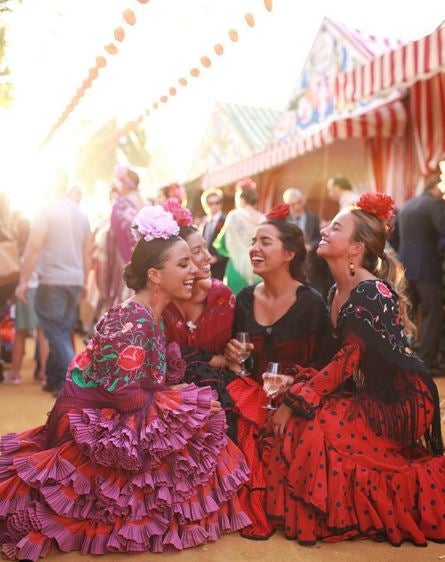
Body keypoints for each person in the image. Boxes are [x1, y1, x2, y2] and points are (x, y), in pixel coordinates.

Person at [0, 205, 251, 561]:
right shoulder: (135, 319)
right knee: (197, 427)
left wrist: (175, 396)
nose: (194, 271)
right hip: (88, 426)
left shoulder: (149, 314)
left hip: (109, 410)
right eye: (183, 264)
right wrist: (178, 401)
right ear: (154, 275)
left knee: (199, 424)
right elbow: (128, 400)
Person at [261, 193, 445, 546]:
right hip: (371, 392)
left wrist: (295, 400)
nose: (325, 230)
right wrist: (293, 382)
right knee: (307, 420)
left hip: (402, 402)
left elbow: (345, 363)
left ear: (355, 248)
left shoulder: (370, 291)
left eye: (336, 227)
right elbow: (331, 359)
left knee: (314, 426)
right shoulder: (335, 291)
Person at [223, 204, 329, 539]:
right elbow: (239, 362)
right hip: (251, 394)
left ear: (289, 253)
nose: (254, 248)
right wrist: (232, 354)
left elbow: (325, 364)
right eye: (253, 241)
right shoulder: (242, 298)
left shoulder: (311, 303)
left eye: (265, 241)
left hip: (296, 400)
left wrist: (294, 389)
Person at [162, 199, 238, 439]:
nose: (208, 256)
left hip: (218, 395)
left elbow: (239, 358)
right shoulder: (158, 304)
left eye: (204, 247)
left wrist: (237, 351)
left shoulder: (222, 297)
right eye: (196, 252)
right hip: (169, 398)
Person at [15, 169, 92, 397]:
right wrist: (84, 280)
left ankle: (76, 382)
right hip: (74, 280)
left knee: (56, 332)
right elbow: (87, 252)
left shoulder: (45, 211)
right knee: (62, 330)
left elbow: (34, 246)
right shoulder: (80, 214)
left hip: (51, 280)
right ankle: (56, 380)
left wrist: (23, 280)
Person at [395, 174, 445, 375]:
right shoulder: (433, 204)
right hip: (426, 266)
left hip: (405, 265)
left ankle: (409, 358)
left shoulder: (408, 204)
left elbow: (394, 235)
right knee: (433, 314)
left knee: (409, 314)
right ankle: (429, 363)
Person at [213, 178, 264, 295]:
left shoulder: (234, 216)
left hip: (236, 265)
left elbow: (222, 242)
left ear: (241, 198)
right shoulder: (263, 218)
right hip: (258, 265)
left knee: (236, 302)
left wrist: (234, 250)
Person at [283, 187, 332, 299]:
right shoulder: (285, 221)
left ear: (302, 201)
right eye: (292, 204)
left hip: (313, 261)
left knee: (316, 289)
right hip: (292, 264)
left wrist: (311, 245)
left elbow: (320, 236)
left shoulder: (312, 217)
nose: (297, 206)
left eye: (299, 202)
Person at [105, 166, 145, 308]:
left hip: (125, 254)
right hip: (145, 256)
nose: (117, 184)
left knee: (124, 291)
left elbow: (115, 228)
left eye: (120, 181)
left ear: (128, 183)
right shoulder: (144, 202)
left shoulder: (122, 204)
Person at [201, 188, 228, 280]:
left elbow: (230, 244)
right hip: (208, 268)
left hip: (222, 267)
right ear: (205, 205)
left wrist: (217, 258)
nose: (214, 206)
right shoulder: (205, 222)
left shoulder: (226, 221)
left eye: (217, 202)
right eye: (211, 203)